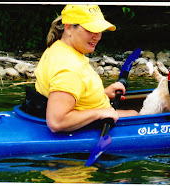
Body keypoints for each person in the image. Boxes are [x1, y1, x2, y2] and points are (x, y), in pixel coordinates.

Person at [34, 5, 138, 133]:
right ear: (68, 28)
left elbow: (73, 93)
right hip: (91, 126)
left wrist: (102, 94)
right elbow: (57, 121)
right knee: (137, 115)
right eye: (90, 30)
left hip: (84, 112)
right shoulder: (68, 68)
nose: (97, 36)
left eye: (99, 30)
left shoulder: (58, 48)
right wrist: (99, 113)